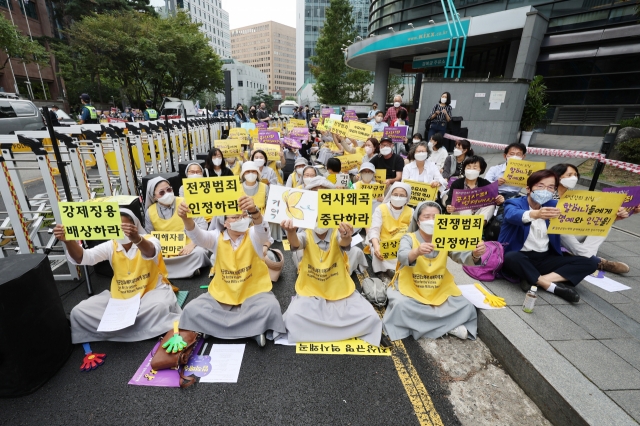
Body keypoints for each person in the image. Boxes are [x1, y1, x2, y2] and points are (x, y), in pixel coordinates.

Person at [53, 209, 180, 360]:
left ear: (135, 226)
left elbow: (151, 251)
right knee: (79, 311)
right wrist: (69, 241)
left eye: (126, 227)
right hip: (121, 297)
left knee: (158, 307)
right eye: (118, 228)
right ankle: (141, 328)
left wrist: (136, 239)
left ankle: (116, 330)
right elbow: (84, 258)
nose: (123, 231)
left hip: (151, 293)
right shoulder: (110, 246)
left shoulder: (149, 239)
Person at [176, 196, 286, 347]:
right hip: (223, 292)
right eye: (235, 217)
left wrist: (254, 211)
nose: (241, 220)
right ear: (225, 222)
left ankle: (212, 328)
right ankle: (253, 329)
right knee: (191, 309)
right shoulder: (215, 237)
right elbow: (198, 236)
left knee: (271, 307)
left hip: (253, 291)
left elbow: (264, 233)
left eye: (243, 216)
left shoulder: (253, 234)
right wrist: (185, 218)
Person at [382, 201, 485, 341]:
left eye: (435, 217)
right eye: (426, 216)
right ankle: (448, 326)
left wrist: (475, 254)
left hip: (438, 285)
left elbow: (460, 256)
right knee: (401, 305)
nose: (431, 220)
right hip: (412, 285)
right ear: (418, 221)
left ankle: (422, 326)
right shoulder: (409, 238)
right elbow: (402, 255)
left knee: (466, 305)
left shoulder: (446, 238)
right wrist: (416, 252)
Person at [498, 170, 599, 303]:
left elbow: (584, 217)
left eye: (550, 187)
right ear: (528, 189)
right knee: (511, 257)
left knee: (592, 262)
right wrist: (536, 214)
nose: (545, 190)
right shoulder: (514, 203)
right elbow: (513, 215)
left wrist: (613, 216)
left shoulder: (555, 205)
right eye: (540, 186)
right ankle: (551, 286)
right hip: (519, 256)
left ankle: (536, 279)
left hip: (544, 258)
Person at [280, 218, 383, 346]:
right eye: (315, 217)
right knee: (292, 317)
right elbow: (295, 242)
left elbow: (344, 241)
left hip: (340, 292)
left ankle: (316, 332)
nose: (318, 220)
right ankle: (343, 331)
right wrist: (290, 232)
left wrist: (346, 235)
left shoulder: (337, 231)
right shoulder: (306, 234)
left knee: (370, 317)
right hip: (312, 292)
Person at [550, 163, 630, 274]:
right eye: (569, 175)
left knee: (604, 224)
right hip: (553, 235)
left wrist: (613, 216)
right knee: (560, 227)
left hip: (573, 231)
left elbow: (591, 217)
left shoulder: (578, 196)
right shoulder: (547, 193)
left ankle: (585, 257)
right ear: (557, 176)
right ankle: (597, 262)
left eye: (575, 175)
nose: (573, 178)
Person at [144, 177, 211, 278]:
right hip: (165, 251)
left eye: (169, 190)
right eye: (161, 192)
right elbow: (148, 236)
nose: (167, 194)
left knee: (200, 253)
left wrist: (192, 244)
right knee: (148, 258)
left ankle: (167, 271)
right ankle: (190, 270)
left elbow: (202, 224)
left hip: (189, 246)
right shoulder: (150, 212)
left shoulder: (185, 202)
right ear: (154, 197)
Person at [369, 182, 413, 281]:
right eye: (395, 194)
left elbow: (413, 233)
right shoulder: (381, 209)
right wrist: (376, 247)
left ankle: (395, 272)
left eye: (402, 195)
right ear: (390, 194)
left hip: (402, 246)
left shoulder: (411, 211)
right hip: (383, 244)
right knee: (377, 255)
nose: (398, 197)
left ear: (407, 197)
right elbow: (374, 230)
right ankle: (383, 272)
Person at [445, 155, 504, 223]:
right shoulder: (457, 183)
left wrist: (500, 199)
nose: (471, 170)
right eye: (468, 167)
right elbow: (449, 200)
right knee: (464, 206)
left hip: (478, 215)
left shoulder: (485, 183)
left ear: (480, 170)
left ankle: (478, 227)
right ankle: (467, 230)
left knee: (491, 205)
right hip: (460, 217)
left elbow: (496, 197)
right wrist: (449, 206)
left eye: (475, 168)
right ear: (464, 169)